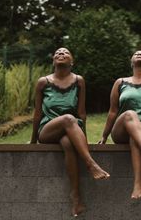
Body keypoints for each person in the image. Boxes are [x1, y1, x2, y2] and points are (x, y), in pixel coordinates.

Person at [30, 47, 109, 217]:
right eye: (57, 53)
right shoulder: (43, 82)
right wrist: (32, 141)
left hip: (71, 129)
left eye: (65, 53)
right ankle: (91, 164)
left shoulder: (79, 81)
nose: (60, 54)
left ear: (71, 62)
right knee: (68, 119)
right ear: (53, 61)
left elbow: (81, 112)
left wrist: (84, 139)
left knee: (67, 142)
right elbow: (37, 113)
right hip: (47, 130)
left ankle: (76, 198)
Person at [99, 50, 141, 200]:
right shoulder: (120, 82)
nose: (140, 54)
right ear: (131, 62)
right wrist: (104, 136)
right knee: (131, 114)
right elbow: (112, 111)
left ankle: (137, 184)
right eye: (136, 53)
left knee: (136, 136)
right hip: (123, 126)